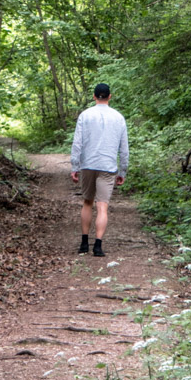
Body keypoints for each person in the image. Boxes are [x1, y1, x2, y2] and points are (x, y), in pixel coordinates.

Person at [70, 83, 129, 256]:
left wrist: (75, 166)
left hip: (88, 164)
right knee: (102, 206)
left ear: (94, 96)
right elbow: (124, 148)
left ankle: (83, 244)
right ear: (110, 96)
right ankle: (98, 246)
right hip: (108, 165)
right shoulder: (118, 118)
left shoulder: (85, 115)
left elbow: (77, 143)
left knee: (87, 202)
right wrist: (122, 170)